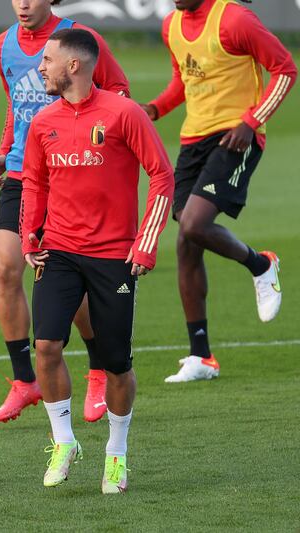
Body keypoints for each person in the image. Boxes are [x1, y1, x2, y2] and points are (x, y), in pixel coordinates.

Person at [21, 29, 174, 493]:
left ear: (75, 66)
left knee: (115, 363)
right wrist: (31, 234)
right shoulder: (43, 121)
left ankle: (116, 453)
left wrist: (145, 243)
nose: (40, 68)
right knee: (45, 347)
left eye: (47, 59)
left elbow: (162, 177)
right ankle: (64, 441)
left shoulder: (123, 113)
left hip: (113, 256)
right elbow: (34, 183)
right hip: (60, 252)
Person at [0, 0, 130, 425]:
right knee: (5, 267)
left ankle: (99, 371)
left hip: (69, 170)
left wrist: (90, 141)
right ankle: (23, 381)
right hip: (20, 172)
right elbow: (16, 103)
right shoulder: (1, 46)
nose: (23, 4)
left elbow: (119, 94)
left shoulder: (79, 40)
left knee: (69, 276)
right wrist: (2, 151)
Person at [140, 0, 295, 383]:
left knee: (193, 224)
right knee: (185, 244)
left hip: (235, 139)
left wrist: (252, 121)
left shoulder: (234, 19)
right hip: (192, 142)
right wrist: (156, 108)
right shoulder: (171, 25)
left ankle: (261, 265)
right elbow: (184, 79)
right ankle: (201, 356)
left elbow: (285, 70)